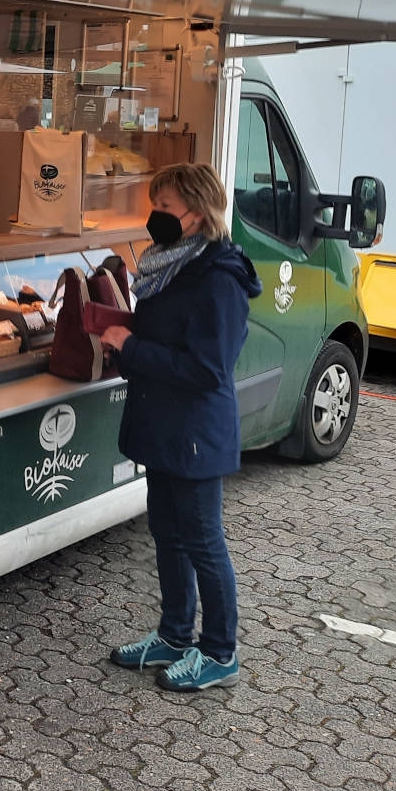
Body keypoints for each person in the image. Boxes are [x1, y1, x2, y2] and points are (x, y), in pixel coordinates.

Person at [99, 163, 261, 692]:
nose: (155, 216)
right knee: (167, 534)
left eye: (164, 207)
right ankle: (173, 635)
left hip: (195, 430)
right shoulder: (168, 262)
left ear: (196, 212)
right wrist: (124, 333)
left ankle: (219, 652)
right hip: (162, 424)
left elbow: (208, 368)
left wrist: (133, 347)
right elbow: (161, 335)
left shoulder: (220, 276)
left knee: (202, 541)